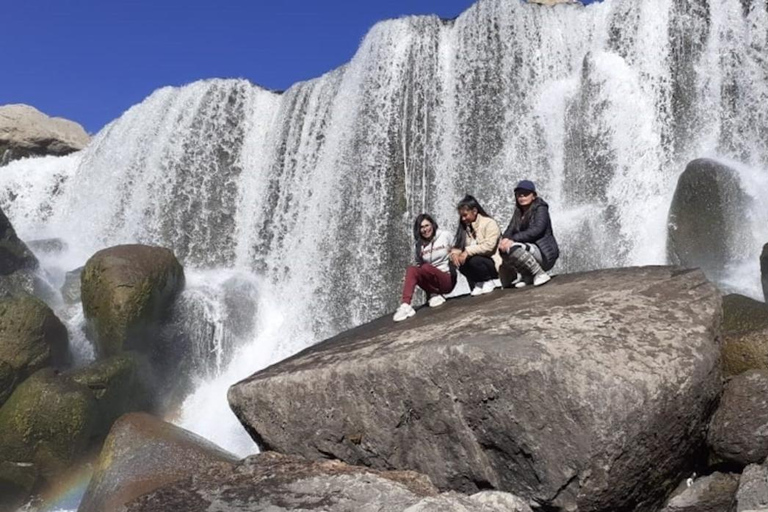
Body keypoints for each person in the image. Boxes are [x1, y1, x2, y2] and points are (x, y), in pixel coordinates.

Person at [393, 213, 457, 322]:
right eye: (421, 227)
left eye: (427, 225)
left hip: (447, 279)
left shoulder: (445, 235)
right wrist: (411, 277)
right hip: (432, 285)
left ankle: (436, 294)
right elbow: (418, 265)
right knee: (411, 270)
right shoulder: (419, 245)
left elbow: (458, 249)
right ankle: (406, 305)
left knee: (426, 267)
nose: (425, 229)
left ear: (432, 224)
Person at [498, 180, 559, 288]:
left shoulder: (541, 208)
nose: (522, 197)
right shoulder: (518, 212)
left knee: (514, 247)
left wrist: (513, 239)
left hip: (545, 253)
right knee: (504, 248)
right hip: (531, 250)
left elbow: (537, 230)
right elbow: (509, 230)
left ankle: (539, 274)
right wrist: (504, 240)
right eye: (519, 195)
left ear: (534, 196)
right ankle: (527, 276)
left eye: (525, 194)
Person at [449, 195, 502, 296]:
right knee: (458, 261)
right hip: (479, 265)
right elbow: (458, 246)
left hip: (492, 263)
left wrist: (467, 251)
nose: (463, 219)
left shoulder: (489, 223)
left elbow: (489, 246)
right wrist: (454, 255)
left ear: (474, 211)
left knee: (474, 260)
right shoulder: (465, 228)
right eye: (461, 216)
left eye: (465, 215)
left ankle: (488, 281)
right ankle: (479, 282)